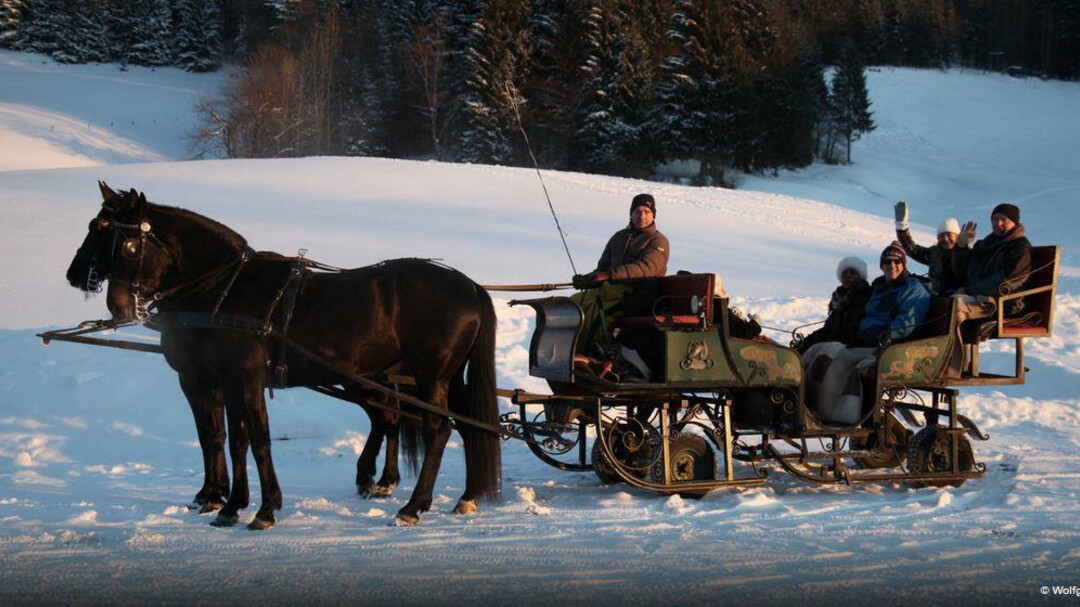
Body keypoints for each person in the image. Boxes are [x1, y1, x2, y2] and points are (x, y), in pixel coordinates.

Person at [802, 243, 931, 425]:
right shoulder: (881, 288)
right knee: (819, 350)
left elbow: (906, 324)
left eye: (896, 261)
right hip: (866, 342)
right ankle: (805, 403)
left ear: (904, 264)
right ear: (881, 265)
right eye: (887, 261)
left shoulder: (913, 289)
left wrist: (886, 338)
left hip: (889, 347)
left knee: (839, 357)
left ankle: (833, 415)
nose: (891, 265)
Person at [570, 193, 670, 371]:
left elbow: (645, 269)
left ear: (654, 215)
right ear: (631, 214)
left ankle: (599, 356)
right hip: (609, 289)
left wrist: (609, 275)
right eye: (638, 211)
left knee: (598, 314)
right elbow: (602, 269)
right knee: (576, 303)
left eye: (647, 211)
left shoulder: (658, 241)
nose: (642, 216)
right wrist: (587, 280)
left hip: (637, 294)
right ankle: (573, 353)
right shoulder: (618, 238)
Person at [950, 203, 1032, 321]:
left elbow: (1006, 279)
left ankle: (952, 339)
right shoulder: (986, 244)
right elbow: (962, 271)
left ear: (1015, 222)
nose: (998, 223)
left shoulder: (1020, 247)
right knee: (939, 301)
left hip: (1004, 302)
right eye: (995, 219)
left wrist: (969, 290)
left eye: (1003, 219)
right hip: (979, 296)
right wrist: (961, 246)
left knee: (956, 308)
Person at [796, 256, 872, 353]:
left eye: (853, 272)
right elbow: (827, 330)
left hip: (852, 346)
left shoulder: (865, 297)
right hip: (834, 343)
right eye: (845, 272)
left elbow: (852, 329)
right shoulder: (839, 300)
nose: (848, 275)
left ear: (860, 276)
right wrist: (803, 343)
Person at [894, 200, 963, 295]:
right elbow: (913, 250)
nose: (945, 239)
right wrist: (902, 228)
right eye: (941, 236)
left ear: (957, 236)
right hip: (935, 297)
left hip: (960, 300)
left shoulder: (965, 254)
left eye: (949, 235)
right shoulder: (934, 253)